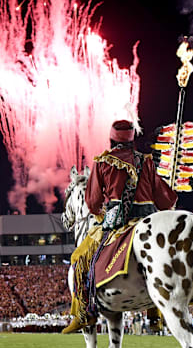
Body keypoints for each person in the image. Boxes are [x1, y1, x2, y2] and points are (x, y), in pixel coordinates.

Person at [63, 120, 178, 334]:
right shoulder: (146, 161)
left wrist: (100, 213)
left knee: (80, 258)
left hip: (117, 221)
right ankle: (155, 312)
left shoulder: (103, 162)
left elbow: (93, 202)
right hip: (148, 218)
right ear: (132, 139)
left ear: (112, 138)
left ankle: (83, 313)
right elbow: (165, 201)